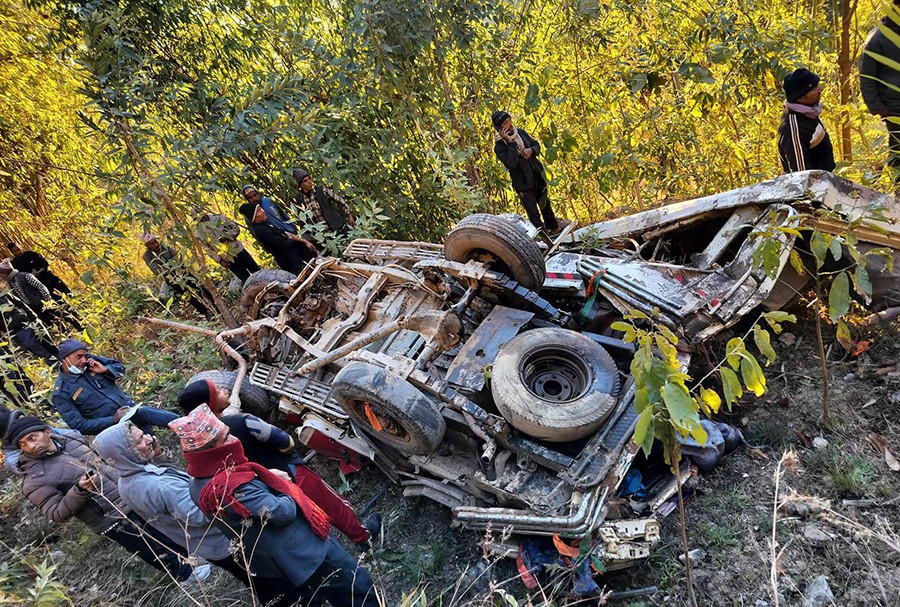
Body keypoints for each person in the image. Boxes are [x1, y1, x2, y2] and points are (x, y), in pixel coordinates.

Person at [171, 406, 380, 607]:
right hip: (306, 553)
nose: (234, 438)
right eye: (226, 437)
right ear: (209, 452)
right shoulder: (229, 487)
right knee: (358, 589)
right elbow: (283, 512)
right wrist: (283, 484)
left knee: (337, 595)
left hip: (283, 558)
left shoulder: (198, 482)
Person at [92, 422, 297, 605]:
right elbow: (198, 514)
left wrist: (160, 456)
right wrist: (241, 494)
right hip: (224, 542)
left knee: (256, 581)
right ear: (123, 452)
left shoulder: (129, 478)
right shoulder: (153, 486)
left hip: (210, 546)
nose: (149, 438)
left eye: (144, 433)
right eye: (139, 440)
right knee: (273, 581)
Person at [177, 379, 378, 546]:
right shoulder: (241, 422)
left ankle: (329, 546)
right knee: (333, 504)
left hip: (267, 494)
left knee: (305, 519)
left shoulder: (201, 446)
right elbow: (285, 442)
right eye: (217, 390)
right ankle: (363, 537)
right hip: (289, 473)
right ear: (210, 403)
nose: (223, 388)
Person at [12, 415, 210, 585]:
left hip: (128, 495)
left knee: (164, 531)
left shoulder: (71, 439)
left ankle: (193, 559)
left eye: (32, 438)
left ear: (46, 431)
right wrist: (79, 491)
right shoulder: (34, 479)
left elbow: (102, 459)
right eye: (23, 444)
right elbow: (55, 513)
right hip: (110, 517)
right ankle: (185, 576)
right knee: (150, 547)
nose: (30, 446)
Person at [52, 338, 178, 435]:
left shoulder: (89, 362)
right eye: (78, 357)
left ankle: (187, 425)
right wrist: (113, 419)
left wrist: (105, 370)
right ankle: (187, 424)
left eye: (85, 355)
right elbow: (80, 426)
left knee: (151, 436)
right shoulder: (61, 392)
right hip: (115, 430)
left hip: (131, 409)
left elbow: (120, 368)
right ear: (64, 360)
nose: (84, 360)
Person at [491, 110, 563, 234]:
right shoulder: (499, 147)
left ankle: (555, 229)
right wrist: (510, 143)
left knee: (545, 205)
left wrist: (531, 150)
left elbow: (536, 145)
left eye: (509, 121)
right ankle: (543, 236)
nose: (510, 124)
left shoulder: (521, 133)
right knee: (533, 212)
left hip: (536, 175)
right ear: (499, 128)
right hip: (523, 183)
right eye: (505, 123)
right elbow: (511, 164)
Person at [860, 4, 900, 183]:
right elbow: (867, 77)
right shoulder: (877, 38)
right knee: (898, 153)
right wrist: (879, 108)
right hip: (894, 108)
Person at [140, 234, 213, 319]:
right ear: (147, 246)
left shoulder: (165, 247)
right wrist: (171, 265)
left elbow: (177, 256)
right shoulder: (147, 256)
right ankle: (204, 311)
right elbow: (156, 270)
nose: (155, 244)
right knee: (187, 295)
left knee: (199, 287)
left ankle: (216, 305)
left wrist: (169, 265)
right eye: (152, 244)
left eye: (155, 241)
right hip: (171, 279)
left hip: (182, 271)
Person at [777, 68, 835, 173]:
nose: (820, 89)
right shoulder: (793, 128)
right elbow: (801, 176)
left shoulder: (809, 112)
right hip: (813, 187)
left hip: (824, 182)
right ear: (802, 97)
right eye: (814, 88)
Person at [239, 201, 317, 275]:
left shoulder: (266, 224)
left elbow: (286, 234)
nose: (263, 211)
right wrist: (290, 239)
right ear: (254, 217)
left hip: (296, 256)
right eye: (259, 211)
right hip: (291, 262)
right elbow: (282, 244)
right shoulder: (262, 231)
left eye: (261, 208)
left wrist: (304, 241)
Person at [293, 168, 356, 238]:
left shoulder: (321, 190)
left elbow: (340, 201)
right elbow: (304, 220)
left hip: (338, 229)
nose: (309, 182)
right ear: (300, 185)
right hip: (324, 236)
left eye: (309, 179)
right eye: (305, 181)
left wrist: (349, 215)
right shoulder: (300, 199)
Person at [196, 213, 260, 282]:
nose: (202, 220)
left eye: (202, 218)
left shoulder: (219, 218)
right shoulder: (200, 233)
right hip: (227, 258)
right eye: (199, 220)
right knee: (246, 280)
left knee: (257, 272)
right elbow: (208, 249)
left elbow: (235, 228)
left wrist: (227, 236)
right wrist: (219, 260)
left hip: (238, 250)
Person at [0, 292, 58, 362]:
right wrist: (12, 335)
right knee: (44, 354)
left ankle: (69, 364)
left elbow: (20, 304)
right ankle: (62, 369)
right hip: (19, 333)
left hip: (31, 322)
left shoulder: (3, 294)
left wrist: (34, 318)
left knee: (52, 346)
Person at [7, 243, 72, 299]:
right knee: (54, 297)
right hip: (39, 283)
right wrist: (31, 275)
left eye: (18, 249)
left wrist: (39, 271)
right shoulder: (14, 263)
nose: (18, 252)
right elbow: (21, 276)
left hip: (47, 276)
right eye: (15, 251)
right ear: (12, 252)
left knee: (66, 291)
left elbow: (44, 263)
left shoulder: (31, 254)